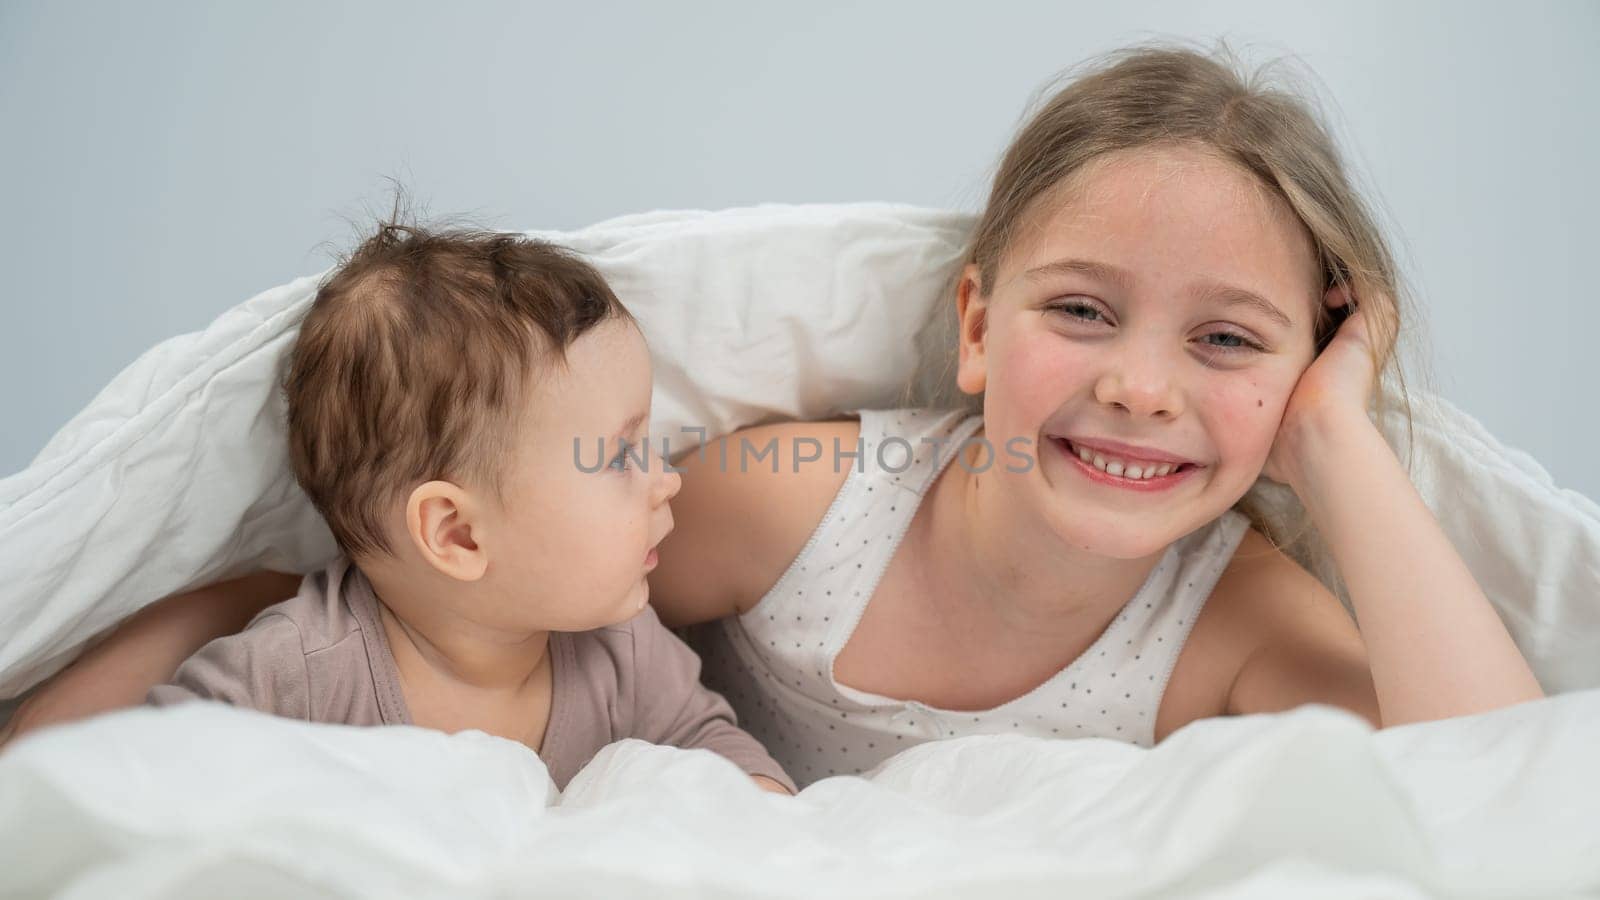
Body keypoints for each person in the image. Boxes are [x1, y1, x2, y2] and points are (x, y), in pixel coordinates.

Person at [2, 48, 1542, 791]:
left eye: (1228, 343)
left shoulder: (1238, 626)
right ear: (974, 327)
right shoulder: (800, 501)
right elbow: (481, 606)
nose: (1142, 385)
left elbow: (1504, 790)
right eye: (1081, 312)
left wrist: (1336, 438)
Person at [112, 222, 793, 794]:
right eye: (617, 456)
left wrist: (763, 808)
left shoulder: (624, 651)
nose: (665, 477)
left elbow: (715, 747)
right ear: (459, 534)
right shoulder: (298, 674)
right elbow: (141, 787)